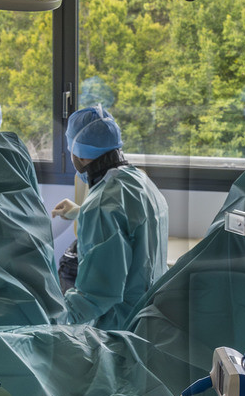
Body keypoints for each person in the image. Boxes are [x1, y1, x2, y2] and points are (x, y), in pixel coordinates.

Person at [54, 105, 169, 330]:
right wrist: (80, 212)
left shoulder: (100, 206)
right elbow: (133, 223)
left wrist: (52, 314)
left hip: (121, 328)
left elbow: (95, 297)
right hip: (151, 316)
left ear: (77, 153)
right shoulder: (140, 181)